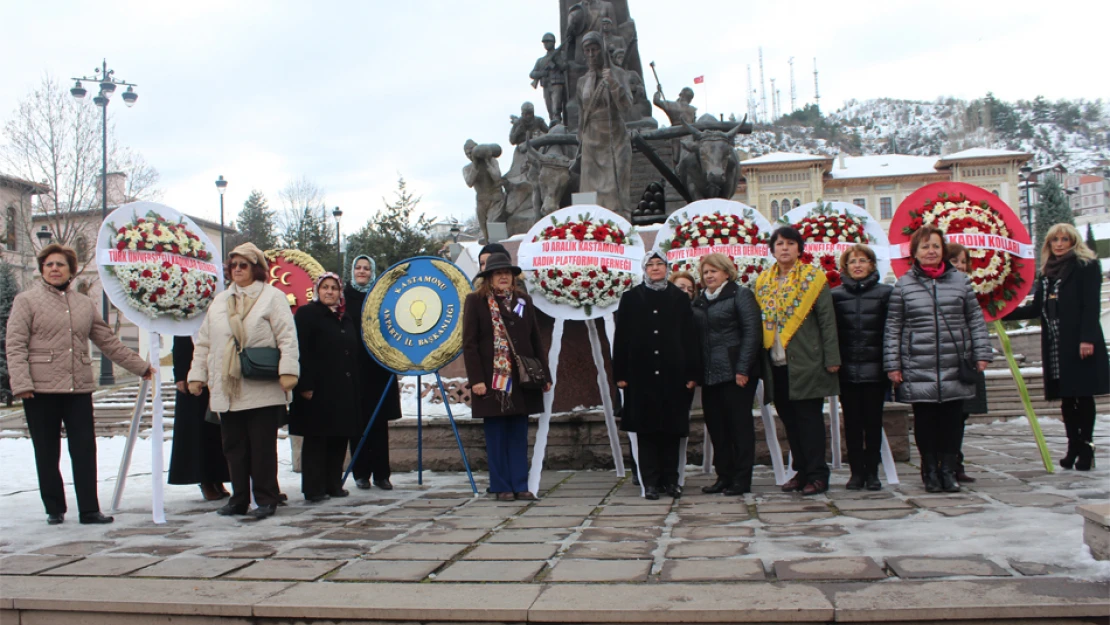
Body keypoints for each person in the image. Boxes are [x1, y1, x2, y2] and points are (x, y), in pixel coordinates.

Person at [6, 244, 154, 525]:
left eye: (60, 264)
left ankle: (89, 509)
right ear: (41, 270)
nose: (54, 269)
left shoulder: (84, 303)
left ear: (71, 271)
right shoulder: (26, 301)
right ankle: (55, 508)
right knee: (47, 451)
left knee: (85, 449)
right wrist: (22, 384)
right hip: (40, 390)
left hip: (78, 389)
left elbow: (107, 341)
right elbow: (15, 345)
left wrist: (142, 366)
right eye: (48, 264)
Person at [188, 243, 299, 520]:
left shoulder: (272, 297)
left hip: (260, 383)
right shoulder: (220, 301)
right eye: (233, 265)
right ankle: (238, 500)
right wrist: (197, 374)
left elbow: (287, 337)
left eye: (243, 265)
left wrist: (288, 371)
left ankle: (266, 498)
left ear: (256, 268)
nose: (237, 270)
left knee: (261, 447)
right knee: (233, 447)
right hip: (228, 385)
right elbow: (204, 342)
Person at [884, 226, 991, 493]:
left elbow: (975, 320)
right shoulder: (904, 285)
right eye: (925, 246)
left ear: (942, 250)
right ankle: (930, 470)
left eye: (935, 246)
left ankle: (948, 469)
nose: (930, 251)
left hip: (955, 362)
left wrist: (982, 353)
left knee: (953, 421)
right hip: (918, 365)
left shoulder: (960, 282)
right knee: (925, 421)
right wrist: (893, 365)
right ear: (915, 253)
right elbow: (893, 327)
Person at [1006, 223, 1108, 471]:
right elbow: (1035, 309)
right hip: (1055, 343)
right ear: (1049, 244)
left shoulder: (1087, 266)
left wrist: (1087, 338)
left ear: (1073, 242)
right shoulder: (1048, 273)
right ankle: (1072, 444)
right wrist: (1000, 312)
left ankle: (1086, 446)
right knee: (1066, 397)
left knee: (1082, 395)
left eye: (1064, 239)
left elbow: (1091, 306)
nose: (1059, 244)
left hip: (1079, 341)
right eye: (1055, 240)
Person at [754, 226, 840, 496]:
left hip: (807, 361)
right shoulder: (763, 282)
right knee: (790, 421)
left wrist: (831, 358)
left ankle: (817, 474)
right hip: (776, 363)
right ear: (772, 249)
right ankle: (801, 471)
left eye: (791, 243)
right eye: (779, 244)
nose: (784, 248)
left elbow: (827, 320)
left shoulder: (813, 278)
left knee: (809, 420)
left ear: (799, 249)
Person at [462, 253, 551, 500]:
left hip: (521, 380)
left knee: (518, 434)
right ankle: (501, 486)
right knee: (496, 435)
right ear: (489, 278)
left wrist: (544, 374)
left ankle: (520, 485)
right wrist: (476, 380)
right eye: (497, 273)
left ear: (513, 277)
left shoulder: (523, 301)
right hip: (493, 382)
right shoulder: (475, 302)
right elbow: (469, 344)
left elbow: (535, 339)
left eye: (507, 273)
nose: (503, 276)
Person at [613, 252, 699, 499]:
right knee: (647, 430)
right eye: (650, 265)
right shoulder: (631, 298)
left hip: (673, 373)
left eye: (660, 264)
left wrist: (692, 372)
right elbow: (622, 338)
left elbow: (689, 337)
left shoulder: (678, 298)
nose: (655, 268)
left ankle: (671, 480)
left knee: (671, 429)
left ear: (667, 268)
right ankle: (649, 481)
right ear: (644, 269)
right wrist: (620, 373)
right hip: (641, 375)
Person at [691, 253, 763, 496]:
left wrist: (743, 369)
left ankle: (742, 480)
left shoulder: (740, 295)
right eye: (705, 272)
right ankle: (724, 476)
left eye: (714, 271)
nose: (709, 276)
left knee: (739, 428)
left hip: (736, 374)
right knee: (718, 429)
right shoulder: (700, 300)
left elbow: (752, 334)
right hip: (711, 375)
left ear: (726, 272)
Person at [291, 273, 361, 501]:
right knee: (317, 439)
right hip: (317, 388)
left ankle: (333, 484)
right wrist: (304, 384)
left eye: (334, 288)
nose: (330, 292)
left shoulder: (344, 316)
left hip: (342, 387)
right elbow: (301, 350)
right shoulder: (307, 314)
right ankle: (314, 488)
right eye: (325, 287)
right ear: (317, 290)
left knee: (339, 437)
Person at [830, 244, 892, 491]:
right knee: (852, 424)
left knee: (873, 423)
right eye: (852, 261)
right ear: (845, 267)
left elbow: (891, 331)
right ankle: (856, 472)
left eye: (862, 260)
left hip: (875, 371)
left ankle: (873, 472)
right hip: (847, 372)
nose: (857, 265)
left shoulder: (886, 293)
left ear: (872, 265)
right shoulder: (835, 295)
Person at [344, 255, 402, 490]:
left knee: (378, 423)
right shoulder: (344, 297)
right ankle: (360, 473)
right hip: (354, 368)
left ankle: (381, 474)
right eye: (358, 267)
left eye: (367, 268)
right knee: (356, 422)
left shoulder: (381, 295)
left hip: (378, 366)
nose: (362, 271)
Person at [575, 30, 634, 217]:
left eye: (595, 49)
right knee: (590, 195)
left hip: (614, 138)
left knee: (617, 192)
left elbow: (627, 107)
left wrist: (613, 83)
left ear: (602, 50)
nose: (592, 55)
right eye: (588, 50)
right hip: (591, 141)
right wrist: (580, 138)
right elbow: (581, 113)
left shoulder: (618, 74)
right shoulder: (582, 81)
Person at [168, 335, 230, 500]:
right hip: (192, 376)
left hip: (216, 372)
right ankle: (204, 479)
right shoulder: (188, 312)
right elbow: (181, 339)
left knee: (217, 431)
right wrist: (181, 374)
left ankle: (218, 477)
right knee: (197, 431)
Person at [947, 242, 986, 483]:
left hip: (967, 360)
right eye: (955, 261)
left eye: (964, 261)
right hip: (946, 359)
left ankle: (956, 462)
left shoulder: (970, 289)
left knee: (961, 415)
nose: (960, 266)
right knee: (947, 415)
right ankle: (946, 462)